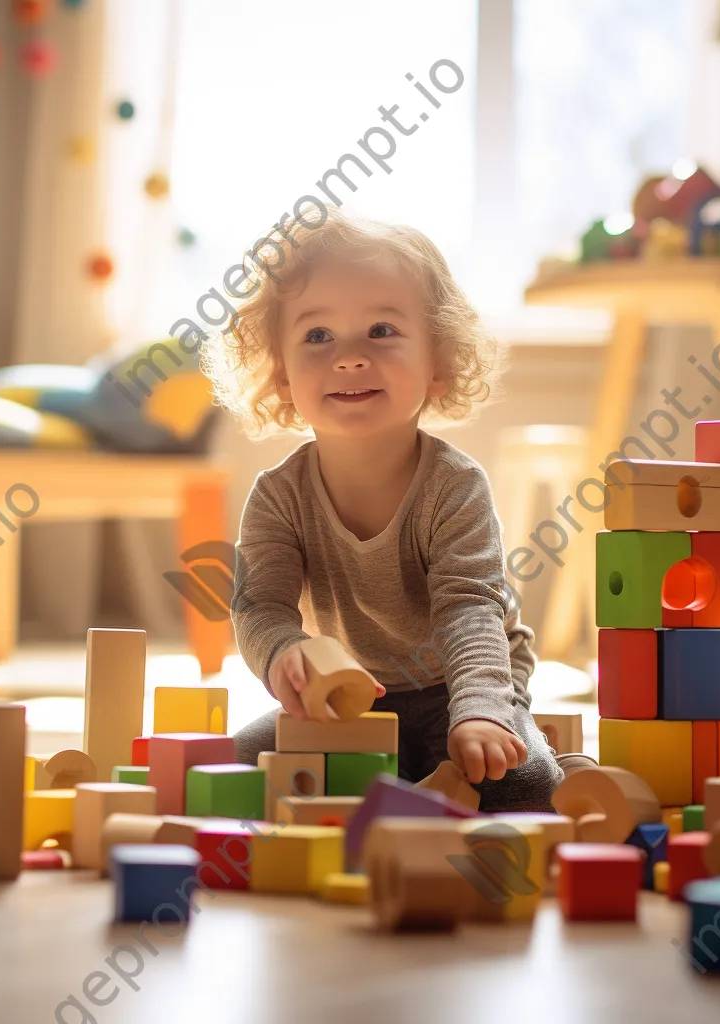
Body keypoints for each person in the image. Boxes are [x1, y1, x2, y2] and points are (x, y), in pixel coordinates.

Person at [200, 204, 583, 813]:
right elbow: (259, 606)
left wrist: (482, 714)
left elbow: (470, 610)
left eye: (381, 331)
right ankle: (400, 782)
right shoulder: (278, 496)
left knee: (524, 786)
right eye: (318, 336)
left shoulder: (454, 486)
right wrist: (282, 654)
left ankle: (536, 753)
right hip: (352, 699)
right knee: (239, 765)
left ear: (437, 361)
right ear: (279, 373)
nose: (349, 357)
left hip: (457, 686)